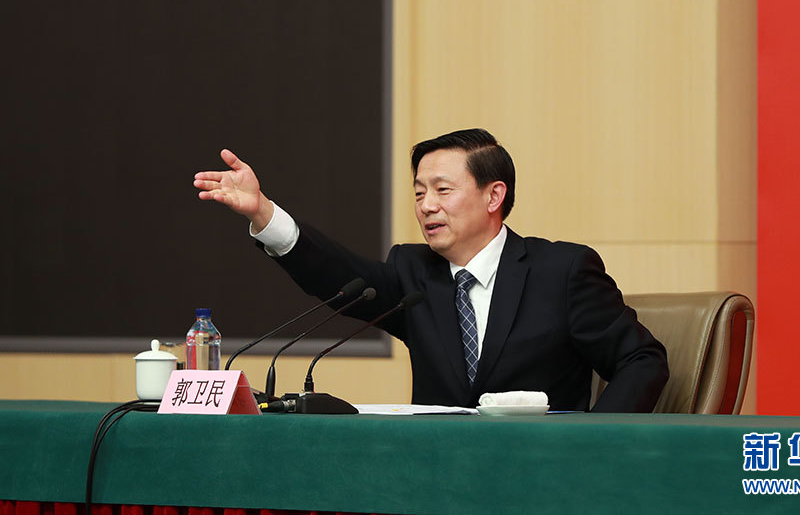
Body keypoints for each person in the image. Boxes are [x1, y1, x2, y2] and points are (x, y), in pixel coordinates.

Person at [194, 129, 668, 412]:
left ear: (494, 195)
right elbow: (338, 277)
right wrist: (265, 214)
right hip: (437, 478)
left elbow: (642, 360)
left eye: (442, 190)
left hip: (539, 477)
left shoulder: (561, 271)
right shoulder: (413, 273)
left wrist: (592, 444)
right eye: (419, 193)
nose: (426, 206)